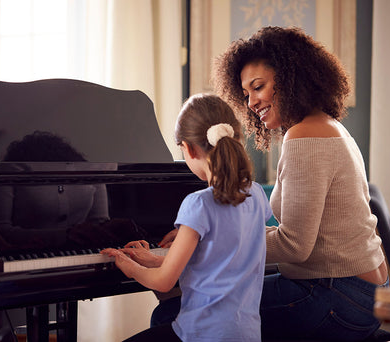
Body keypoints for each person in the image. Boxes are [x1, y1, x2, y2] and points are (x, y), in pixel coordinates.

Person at [210, 26, 388, 341]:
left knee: (185, 311)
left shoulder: (305, 135)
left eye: (258, 87)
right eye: (246, 93)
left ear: (291, 78)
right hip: (361, 292)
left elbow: (294, 246)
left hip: (337, 296)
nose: (251, 102)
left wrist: (209, 240)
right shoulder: (328, 126)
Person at [102, 93, 272, 342]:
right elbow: (218, 258)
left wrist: (130, 267)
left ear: (189, 148)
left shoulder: (198, 203)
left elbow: (163, 282)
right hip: (245, 333)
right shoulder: (256, 194)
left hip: (200, 334)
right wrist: (152, 259)